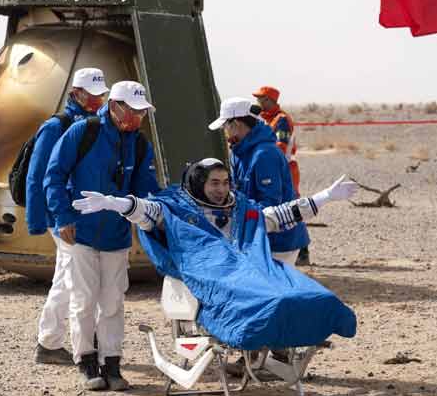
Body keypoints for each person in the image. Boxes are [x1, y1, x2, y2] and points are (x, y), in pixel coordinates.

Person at [71, 158, 358, 375]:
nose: (221, 189)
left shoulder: (242, 209)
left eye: (225, 182)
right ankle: (263, 336)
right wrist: (115, 203)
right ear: (199, 184)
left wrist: (325, 196)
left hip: (254, 268)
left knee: (309, 294)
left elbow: (278, 215)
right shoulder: (176, 209)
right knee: (273, 299)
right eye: (214, 183)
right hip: (212, 274)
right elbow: (148, 211)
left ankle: (288, 334)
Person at [45, 80, 161, 391]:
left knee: (113, 303)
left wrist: (158, 211)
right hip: (80, 234)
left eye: (142, 113)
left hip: (116, 237)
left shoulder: (139, 144)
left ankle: (112, 363)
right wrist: (63, 217)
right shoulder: (83, 132)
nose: (137, 118)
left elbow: (146, 189)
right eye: (133, 111)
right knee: (83, 301)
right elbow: (54, 175)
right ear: (114, 107)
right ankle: (86, 361)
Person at [27, 68, 109, 365]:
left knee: (69, 275)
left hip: (84, 214)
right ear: (76, 93)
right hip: (63, 216)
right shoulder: (56, 126)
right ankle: (64, 343)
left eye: (101, 95)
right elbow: (38, 176)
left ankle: (53, 342)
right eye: (92, 94)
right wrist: (38, 221)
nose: (97, 100)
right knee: (74, 278)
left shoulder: (96, 124)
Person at [208, 97, 308, 266]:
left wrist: (235, 219)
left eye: (225, 126)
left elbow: (270, 205)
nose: (224, 131)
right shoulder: (238, 152)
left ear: (236, 124)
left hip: (279, 241)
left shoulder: (265, 155)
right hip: (257, 237)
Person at [252, 86, 310, 265]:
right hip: (274, 167)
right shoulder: (264, 119)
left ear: (269, 100)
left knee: (291, 206)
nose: (258, 102)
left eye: (261, 98)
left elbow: (281, 146)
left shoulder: (281, 120)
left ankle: (303, 251)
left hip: (286, 168)